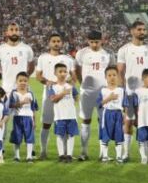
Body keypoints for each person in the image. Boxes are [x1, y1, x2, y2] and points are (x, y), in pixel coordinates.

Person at [116, 21, 148, 162]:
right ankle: (126, 153)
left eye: (144, 29)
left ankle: (145, 155)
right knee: (128, 122)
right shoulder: (124, 49)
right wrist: (122, 93)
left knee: (144, 123)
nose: (142, 32)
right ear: (132, 31)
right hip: (130, 93)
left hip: (147, 93)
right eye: (139, 29)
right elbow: (120, 73)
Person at [33, 33, 76, 159]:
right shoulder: (43, 57)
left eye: (58, 41)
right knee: (46, 124)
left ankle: (66, 153)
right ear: (49, 43)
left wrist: (67, 86)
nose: (56, 43)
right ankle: (43, 152)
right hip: (49, 94)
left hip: (65, 97)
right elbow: (38, 76)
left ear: (62, 43)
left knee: (65, 122)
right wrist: (47, 82)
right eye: (53, 41)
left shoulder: (68, 59)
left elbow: (74, 77)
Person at [0, 23, 33, 148]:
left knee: (25, 119)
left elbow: (31, 67)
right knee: (3, 119)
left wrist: (23, 81)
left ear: (19, 32)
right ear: (7, 32)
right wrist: (4, 79)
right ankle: (1, 148)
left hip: (23, 91)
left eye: (16, 29)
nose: (14, 32)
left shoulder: (27, 49)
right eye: (11, 30)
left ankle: (28, 150)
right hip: (6, 91)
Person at [74, 31, 112, 161]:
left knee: (103, 121)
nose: (94, 44)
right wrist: (82, 83)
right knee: (86, 121)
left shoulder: (108, 54)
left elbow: (112, 72)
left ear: (102, 40)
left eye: (97, 42)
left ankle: (103, 154)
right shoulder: (81, 53)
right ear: (87, 41)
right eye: (91, 42)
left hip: (103, 93)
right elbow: (77, 70)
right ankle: (83, 152)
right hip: (87, 93)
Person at [47, 63, 80, 162]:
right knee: (60, 135)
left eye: (65, 72)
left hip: (71, 115)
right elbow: (53, 99)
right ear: (55, 73)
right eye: (60, 71)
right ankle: (61, 155)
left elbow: (76, 97)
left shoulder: (70, 86)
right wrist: (63, 93)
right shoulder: (53, 87)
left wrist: (73, 103)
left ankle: (69, 155)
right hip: (60, 116)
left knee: (71, 135)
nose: (63, 74)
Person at [97, 66, 128, 163]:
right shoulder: (103, 90)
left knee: (119, 135)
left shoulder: (121, 90)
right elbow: (99, 104)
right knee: (105, 135)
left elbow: (125, 104)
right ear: (105, 77)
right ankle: (105, 156)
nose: (112, 77)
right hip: (107, 114)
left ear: (118, 76)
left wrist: (125, 116)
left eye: (114, 75)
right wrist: (109, 98)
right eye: (109, 75)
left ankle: (118, 157)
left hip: (118, 114)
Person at [8, 72, 37, 162]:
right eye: (20, 81)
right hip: (17, 117)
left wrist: (34, 121)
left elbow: (33, 108)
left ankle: (29, 156)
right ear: (16, 82)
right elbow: (11, 105)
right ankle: (17, 156)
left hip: (28, 118)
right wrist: (22, 102)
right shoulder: (14, 93)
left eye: (25, 81)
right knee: (17, 136)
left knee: (29, 137)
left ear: (28, 82)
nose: (23, 83)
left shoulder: (31, 94)